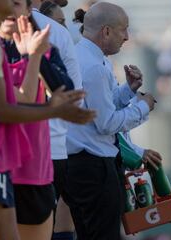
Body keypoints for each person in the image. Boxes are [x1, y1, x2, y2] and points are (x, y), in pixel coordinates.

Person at [0, 0, 95, 239]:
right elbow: (1, 110)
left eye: (18, 3)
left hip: (12, 163)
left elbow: (35, 96)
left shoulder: (30, 42)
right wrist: (54, 111)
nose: (13, 6)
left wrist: (34, 58)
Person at [65, 2, 156, 240]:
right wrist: (142, 107)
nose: (127, 36)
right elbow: (105, 123)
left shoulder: (84, 55)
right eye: (123, 29)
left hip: (81, 164)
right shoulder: (94, 65)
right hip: (94, 166)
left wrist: (127, 90)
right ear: (105, 31)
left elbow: (96, 106)